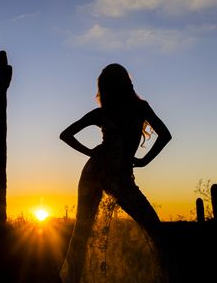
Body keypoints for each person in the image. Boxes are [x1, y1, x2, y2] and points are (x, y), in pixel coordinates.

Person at [59, 63, 172, 283]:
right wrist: (143, 161)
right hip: (109, 174)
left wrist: (91, 152)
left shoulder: (111, 112)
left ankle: (72, 278)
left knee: (83, 232)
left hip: (100, 172)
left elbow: (66, 135)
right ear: (126, 83)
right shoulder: (138, 108)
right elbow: (165, 135)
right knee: (153, 228)